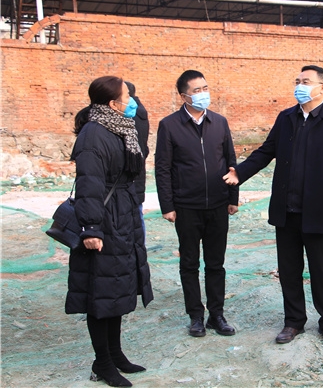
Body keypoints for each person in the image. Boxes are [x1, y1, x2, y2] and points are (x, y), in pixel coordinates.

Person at [223, 65, 323, 346]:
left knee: (322, 271)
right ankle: (294, 321)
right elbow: (266, 151)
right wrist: (241, 172)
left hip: (320, 211)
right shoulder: (286, 118)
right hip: (287, 210)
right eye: (297, 81)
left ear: (322, 88)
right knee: (289, 271)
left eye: (305, 81)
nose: (299, 86)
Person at [69, 76, 154, 387]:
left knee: (116, 287)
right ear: (112, 103)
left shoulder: (121, 128)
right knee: (100, 291)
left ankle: (115, 354)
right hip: (103, 219)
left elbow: (137, 161)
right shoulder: (94, 134)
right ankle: (102, 363)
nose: (132, 101)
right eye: (127, 97)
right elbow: (89, 184)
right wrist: (91, 228)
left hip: (122, 215)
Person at [155, 70, 239, 338]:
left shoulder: (220, 122)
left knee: (216, 264)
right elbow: (163, 168)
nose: (203, 94)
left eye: (205, 88)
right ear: (184, 96)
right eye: (197, 90)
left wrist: (233, 197)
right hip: (186, 206)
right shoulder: (169, 125)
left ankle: (217, 315)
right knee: (189, 264)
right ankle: (195, 316)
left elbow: (231, 161)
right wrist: (168, 205)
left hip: (218, 205)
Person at [124, 81, 149, 238]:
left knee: (133, 220)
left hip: (130, 176)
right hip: (138, 174)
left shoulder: (129, 114)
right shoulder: (141, 112)